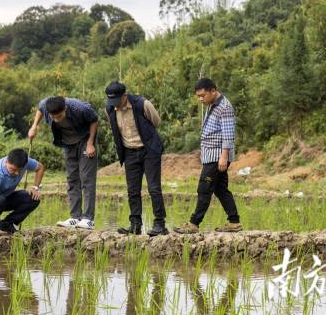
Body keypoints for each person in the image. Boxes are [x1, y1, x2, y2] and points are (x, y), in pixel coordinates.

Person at [174, 78, 242, 234]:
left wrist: (224, 157)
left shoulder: (224, 107)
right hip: (211, 155)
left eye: (202, 95)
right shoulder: (213, 105)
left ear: (213, 90)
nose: (200, 99)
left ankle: (194, 223)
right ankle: (234, 222)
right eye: (198, 96)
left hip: (217, 156)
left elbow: (228, 135)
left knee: (204, 188)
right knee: (220, 189)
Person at [104, 81, 168, 236]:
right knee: (132, 190)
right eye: (112, 102)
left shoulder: (142, 104)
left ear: (125, 96)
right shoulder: (110, 109)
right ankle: (135, 225)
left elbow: (156, 122)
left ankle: (160, 224)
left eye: (118, 101)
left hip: (149, 150)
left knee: (154, 188)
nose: (116, 105)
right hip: (129, 152)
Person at [28, 96, 99, 229]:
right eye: (53, 117)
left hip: (85, 140)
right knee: (72, 179)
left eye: (59, 116)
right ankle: (75, 217)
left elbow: (94, 120)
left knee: (86, 179)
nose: (56, 120)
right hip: (67, 143)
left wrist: (90, 143)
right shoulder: (45, 104)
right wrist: (34, 126)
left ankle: (88, 219)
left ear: (65, 109)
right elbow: (40, 109)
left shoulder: (79, 107)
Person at [0, 148, 45, 242]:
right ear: (7, 161)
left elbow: (40, 168)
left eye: (19, 170)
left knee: (34, 199)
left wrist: (36, 188)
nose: (16, 173)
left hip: (5, 197)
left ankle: (8, 223)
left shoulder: (25, 161)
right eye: (13, 169)